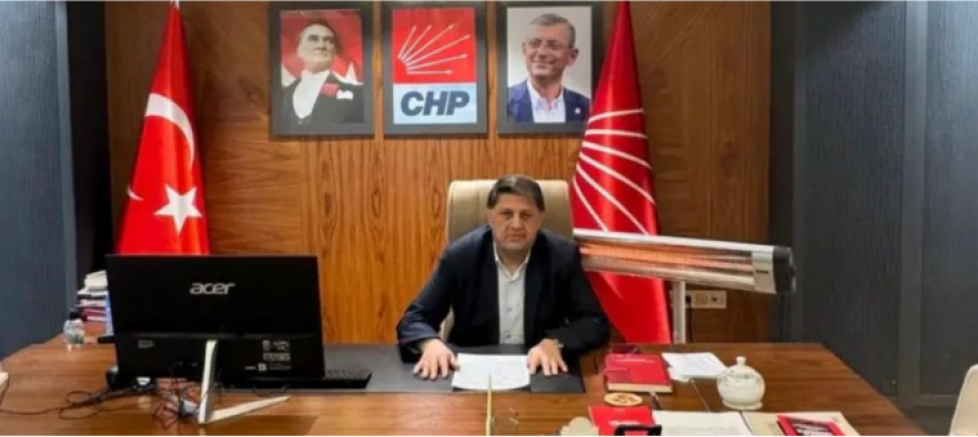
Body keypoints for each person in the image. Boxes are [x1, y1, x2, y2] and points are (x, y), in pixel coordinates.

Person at [396, 175, 610, 380]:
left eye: (526, 215)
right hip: (472, 370)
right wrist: (430, 344)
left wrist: (555, 342)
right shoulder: (460, 257)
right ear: (490, 216)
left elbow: (594, 323)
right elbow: (414, 319)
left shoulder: (562, 256)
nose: (516, 225)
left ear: (540, 219)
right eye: (506, 214)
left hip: (540, 371)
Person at [279, 21, 364, 129]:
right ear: (299, 50)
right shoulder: (282, 95)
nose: (321, 45)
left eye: (329, 41)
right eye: (313, 39)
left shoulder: (357, 94)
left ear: (334, 52)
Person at [507, 13, 591, 124]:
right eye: (534, 44)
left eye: (553, 46)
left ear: (572, 56)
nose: (542, 52)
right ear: (524, 50)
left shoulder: (587, 108)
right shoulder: (502, 103)